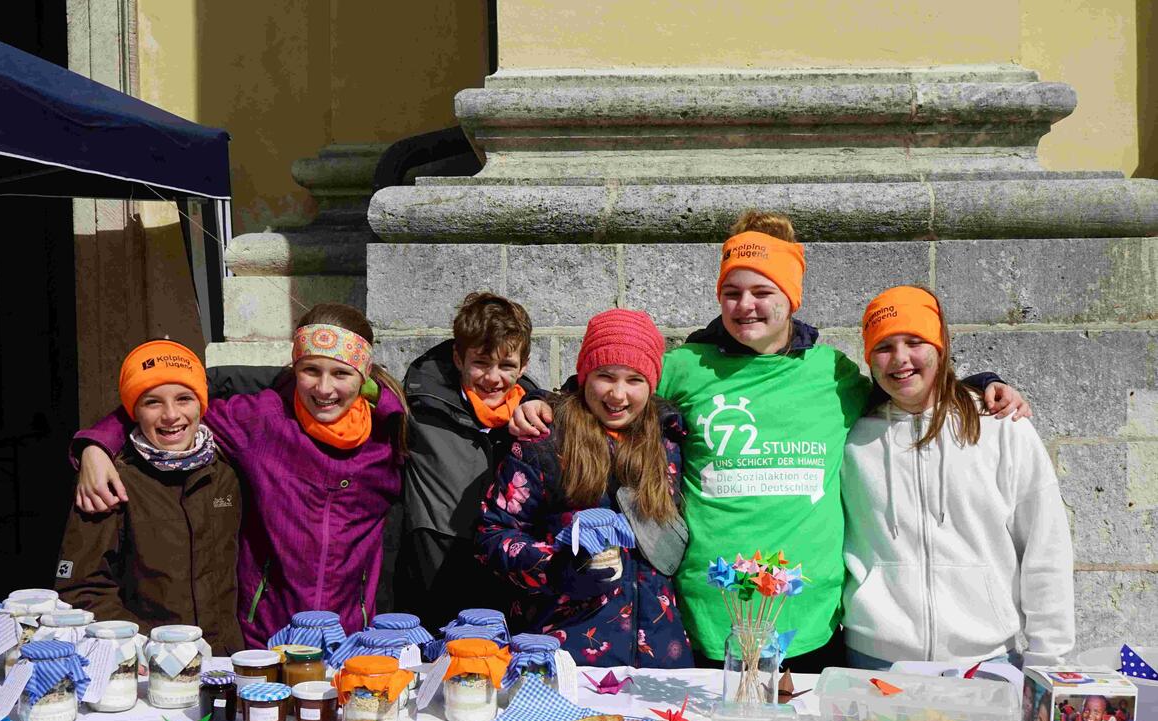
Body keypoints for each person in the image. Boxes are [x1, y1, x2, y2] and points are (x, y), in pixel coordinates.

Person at [509, 211, 1028, 670]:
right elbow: (617, 385)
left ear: (791, 298)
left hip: (809, 616)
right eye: (732, 293)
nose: (746, 306)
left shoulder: (833, 373)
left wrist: (979, 386)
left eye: (763, 293)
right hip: (710, 610)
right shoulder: (687, 367)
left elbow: (909, 387)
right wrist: (544, 400)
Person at [69, 304, 407, 648]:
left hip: (347, 638)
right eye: (311, 370)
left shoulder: (389, 441)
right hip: (264, 638)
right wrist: (96, 443)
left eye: (341, 374)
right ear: (293, 370)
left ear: (364, 377)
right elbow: (170, 407)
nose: (323, 388)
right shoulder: (260, 421)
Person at [840, 286, 1074, 669]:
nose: (900, 359)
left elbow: (1045, 549)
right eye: (884, 347)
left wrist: (1049, 662)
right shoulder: (852, 436)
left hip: (987, 665)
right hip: (874, 661)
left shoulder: (1002, 426)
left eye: (915, 342)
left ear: (941, 346)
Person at [477, 309, 692, 667]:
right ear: (584, 375)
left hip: (660, 652)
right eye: (605, 376)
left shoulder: (667, 438)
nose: (618, 394)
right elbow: (491, 535)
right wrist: (556, 565)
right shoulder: (544, 440)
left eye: (635, 380)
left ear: (652, 384)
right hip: (568, 650)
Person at [55, 340, 244, 653]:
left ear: (201, 404)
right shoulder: (111, 480)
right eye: (152, 402)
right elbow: (81, 589)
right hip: (147, 663)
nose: (171, 415)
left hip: (224, 659)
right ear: (133, 411)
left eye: (184, 398)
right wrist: (144, 644)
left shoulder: (227, 471)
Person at [395, 292, 539, 631]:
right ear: (458, 358)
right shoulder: (417, 406)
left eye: (506, 366)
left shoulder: (535, 416)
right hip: (435, 571)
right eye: (481, 363)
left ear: (524, 366)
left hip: (506, 572)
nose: (493, 378)